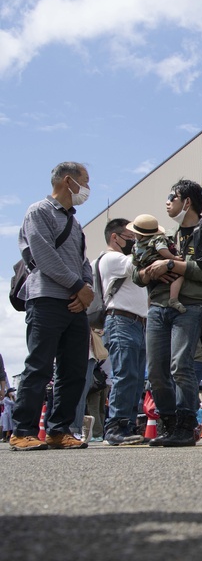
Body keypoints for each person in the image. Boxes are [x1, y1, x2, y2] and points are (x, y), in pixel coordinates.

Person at [10, 162, 93, 451]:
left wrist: (87, 288)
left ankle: (59, 430)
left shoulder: (76, 222)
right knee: (39, 366)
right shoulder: (38, 211)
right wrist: (78, 287)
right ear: (68, 181)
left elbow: (84, 262)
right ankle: (22, 431)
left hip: (75, 303)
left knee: (74, 370)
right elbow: (43, 256)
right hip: (45, 299)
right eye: (85, 181)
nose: (88, 189)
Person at [133, 179, 202, 447]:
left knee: (181, 366)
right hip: (158, 308)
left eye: (173, 196)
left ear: (187, 201)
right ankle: (168, 424)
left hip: (190, 307)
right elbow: (137, 272)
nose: (167, 202)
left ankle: (185, 424)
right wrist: (147, 272)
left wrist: (171, 263)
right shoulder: (164, 235)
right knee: (156, 371)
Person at [95, 218, 148, 446]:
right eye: (130, 237)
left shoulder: (121, 257)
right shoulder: (111, 258)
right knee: (125, 375)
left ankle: (127, 425)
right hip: (121, 320)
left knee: (135, 379)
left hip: (136, 322)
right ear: (114, 237)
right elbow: (135, 265)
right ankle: (115, 426)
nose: (134, 242)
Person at [129, 214, 186, 312]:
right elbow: (162, 250)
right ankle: (173, 299)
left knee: (152, 291)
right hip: (160, 263)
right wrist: (173, 258)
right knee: (179, 276)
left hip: (146, 266)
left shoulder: (135, 247)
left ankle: (150, 306)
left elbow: (134, 262)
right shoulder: (157, 239)